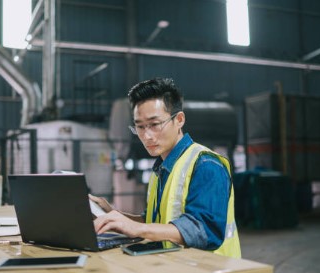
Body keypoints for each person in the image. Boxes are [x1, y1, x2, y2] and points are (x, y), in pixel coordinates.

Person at [91, 77, 241, 258]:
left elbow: (204, 231)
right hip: (180, 269)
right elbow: (153, 222)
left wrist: (139, 229)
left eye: (154, 125)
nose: (146, 136)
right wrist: (112, 213)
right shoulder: (161, 170)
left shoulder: (206, 165)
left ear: (179, 120)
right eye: (139, 127)